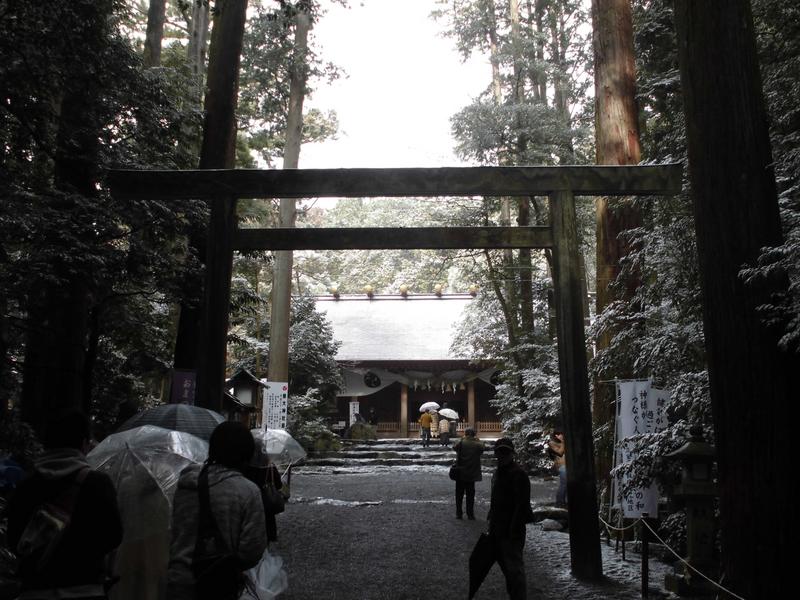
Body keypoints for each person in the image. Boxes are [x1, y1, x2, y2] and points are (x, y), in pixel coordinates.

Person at [6, 409, 123, 600]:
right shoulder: (97, 483)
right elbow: (114, 535)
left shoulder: (27, 485)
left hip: (35, 591)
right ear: (84, 444)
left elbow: (14, 540)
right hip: (85, 589)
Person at [167, 421, 267, 600]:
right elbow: (252, 550)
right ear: (247, 453)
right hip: (218, 582)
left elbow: (175, 529)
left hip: (178, 579)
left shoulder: (185, 484)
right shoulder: (247, 491)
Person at [487, 437, 532, 600]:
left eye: (505, 452)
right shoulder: (499, 472)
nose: (502, 455)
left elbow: (522, 504)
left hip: (512, 527)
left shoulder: (518, 474)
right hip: (498, 525)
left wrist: (514, 527)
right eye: (500, 452)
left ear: (512, 453)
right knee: (507, 566)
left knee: (514, 568)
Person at [244, 447, 283, 544]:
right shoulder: (269, 466)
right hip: (266, 504)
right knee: (267, 530)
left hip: (250, 502)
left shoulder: (245, 467)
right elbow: (279, 485)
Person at [452, 428, 485, 520]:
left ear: (465, 434)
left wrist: (462, 439)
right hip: (472, 473)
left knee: (459, 494)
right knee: (470, 495)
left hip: (460, 473)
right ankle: (470, 514)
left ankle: (459, 513)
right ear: (474, 434)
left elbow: (454, 447)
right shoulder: (477, 444)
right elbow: (483, 448)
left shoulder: (461, 442)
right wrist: (477, 440)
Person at [548, 431, 567, 506]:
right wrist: (563, 442)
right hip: (562, 466)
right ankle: (559, 502)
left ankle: (563, 501)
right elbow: (560, 453)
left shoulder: (562, 443)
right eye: (560, 435)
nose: (562, 436)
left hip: (566, 465)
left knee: (566, 484)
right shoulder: (552, 443)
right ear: (556, 436)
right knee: (564, 484)